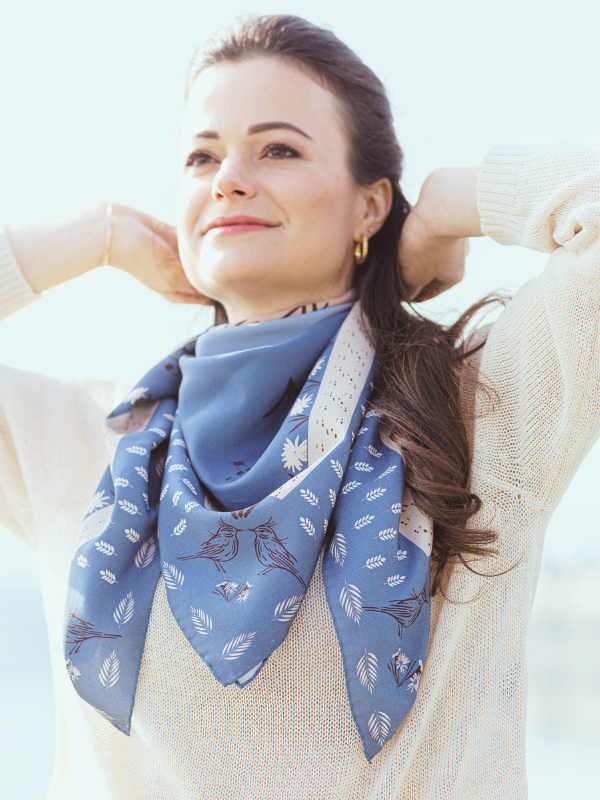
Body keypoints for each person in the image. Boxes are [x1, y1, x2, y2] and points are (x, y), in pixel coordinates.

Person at [0, 13, 597, 800]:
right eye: (201, 156)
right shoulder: (87, 441)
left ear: (369, 206)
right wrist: (93, 235)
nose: (229, 178)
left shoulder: (480, 407)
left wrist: (455, 202)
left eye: (278, 148)